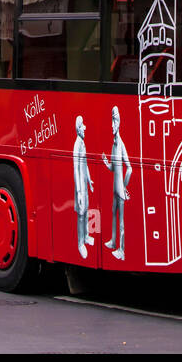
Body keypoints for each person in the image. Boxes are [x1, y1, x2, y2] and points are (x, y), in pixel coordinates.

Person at [102, 105, 132, 261]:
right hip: (116, 186)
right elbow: (114, 167)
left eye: (114, 121)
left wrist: (125, 188)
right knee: (113, 213)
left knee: (121, 220)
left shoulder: (120, 143)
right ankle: (113, 241)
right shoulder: (114, 143)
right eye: (112, 121)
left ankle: (122, 250)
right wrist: (106, 162)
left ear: (119, 123)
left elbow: (130, 168)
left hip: (119, 188)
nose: (112, 125)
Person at [72, 116, 95, 259]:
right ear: (78, 129)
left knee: (86, 211)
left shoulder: (83, 143)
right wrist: (79, 191)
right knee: (80, 215)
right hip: (80, 187)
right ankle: (80, 244)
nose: (84, 129)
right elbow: (76, 168)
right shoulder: (76, 146)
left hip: (84, 185)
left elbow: (85, 164)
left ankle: (86, 236)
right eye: (83, 126)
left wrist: (90, 180)